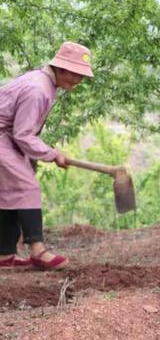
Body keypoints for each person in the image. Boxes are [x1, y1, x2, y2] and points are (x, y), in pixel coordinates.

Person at [0, 41, 93, 270]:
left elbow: (20, 131)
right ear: (60, 68)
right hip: (4, 137)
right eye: (74, 74)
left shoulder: (43, 84)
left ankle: (4, 255)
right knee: (26, 187)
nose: (78, 80)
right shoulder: (38, 89)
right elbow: (23, 133)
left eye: (81, 76)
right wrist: (52, 154)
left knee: (10, 193)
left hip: (8, 138)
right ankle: (38, 251)